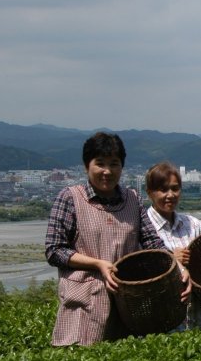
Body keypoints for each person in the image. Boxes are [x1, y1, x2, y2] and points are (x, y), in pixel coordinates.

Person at [45, 132, 188, 346]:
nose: (107, 171)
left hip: (127, 303)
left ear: (122, 167)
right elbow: (54, 250)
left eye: (114, 164)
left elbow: (152, 243)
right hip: (84, 302)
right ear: (87, 166)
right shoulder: (70, 198)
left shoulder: (132, 199)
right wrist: (97, 264)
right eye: (100, 163)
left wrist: (178, 268)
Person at [145, 162, 201, 330]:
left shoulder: (191, 224)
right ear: (150, 193)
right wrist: (169, 260)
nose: (170, 195)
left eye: (175, 188)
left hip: (196, 320)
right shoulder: (143, 228)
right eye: (163, 189)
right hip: (162, 323)